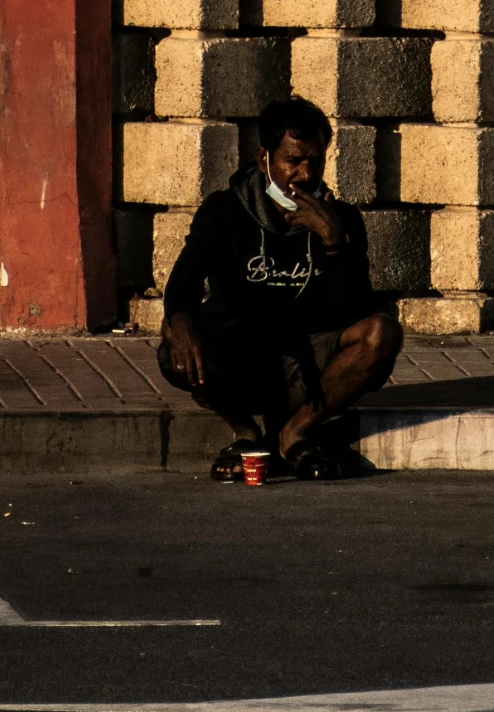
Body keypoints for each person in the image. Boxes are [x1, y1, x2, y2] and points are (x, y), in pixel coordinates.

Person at [158, 96, 402, 480]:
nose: (306, 174)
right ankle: (245, 432)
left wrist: (334, 242)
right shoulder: (225, 211)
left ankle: (296, 432)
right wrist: (181, 324)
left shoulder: (343, 221)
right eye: (293, 161)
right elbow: (183, 282)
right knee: (175, 331)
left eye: (316, 161)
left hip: (311, 368)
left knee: (383, 333)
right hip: (241, 362)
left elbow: (355, 313)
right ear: (264, 160)